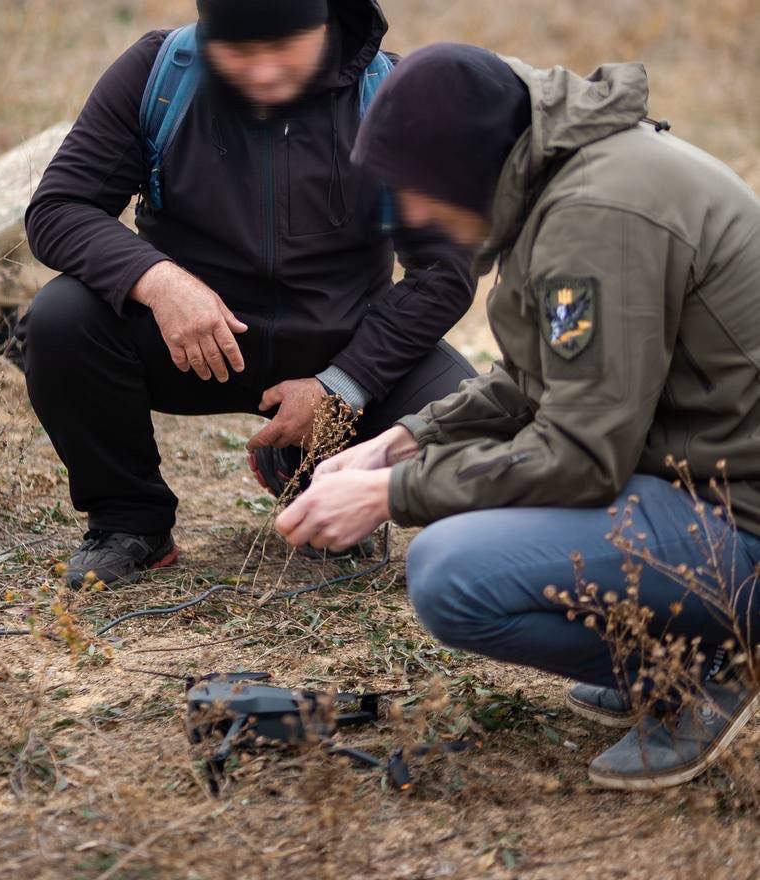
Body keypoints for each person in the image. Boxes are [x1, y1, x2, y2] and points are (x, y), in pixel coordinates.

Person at [276, 43, 760, 791]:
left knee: (451, 571)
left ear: (465, 168)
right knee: (453, 547)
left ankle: (705, 664)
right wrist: (400, 443)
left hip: (741, 519)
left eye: (413, 190)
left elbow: (578, 453)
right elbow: (544, 380)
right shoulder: (572, 169)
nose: (407, 213)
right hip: (701, 478)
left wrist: (390, 496)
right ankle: (675, 648)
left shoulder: (595, 216)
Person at [21, 0, 476, 588]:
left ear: (322, 29)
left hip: (341, 349)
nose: (262, 73)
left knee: (472, 429)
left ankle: (309, 469)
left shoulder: (391, 97)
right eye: (239, 53)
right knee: (61, 318)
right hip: (193, 344)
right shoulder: (158, 74)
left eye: (282, 50)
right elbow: (59, 208)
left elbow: (445, 271)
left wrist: (341, 385)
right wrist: (156, 280)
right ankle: (131, 521)